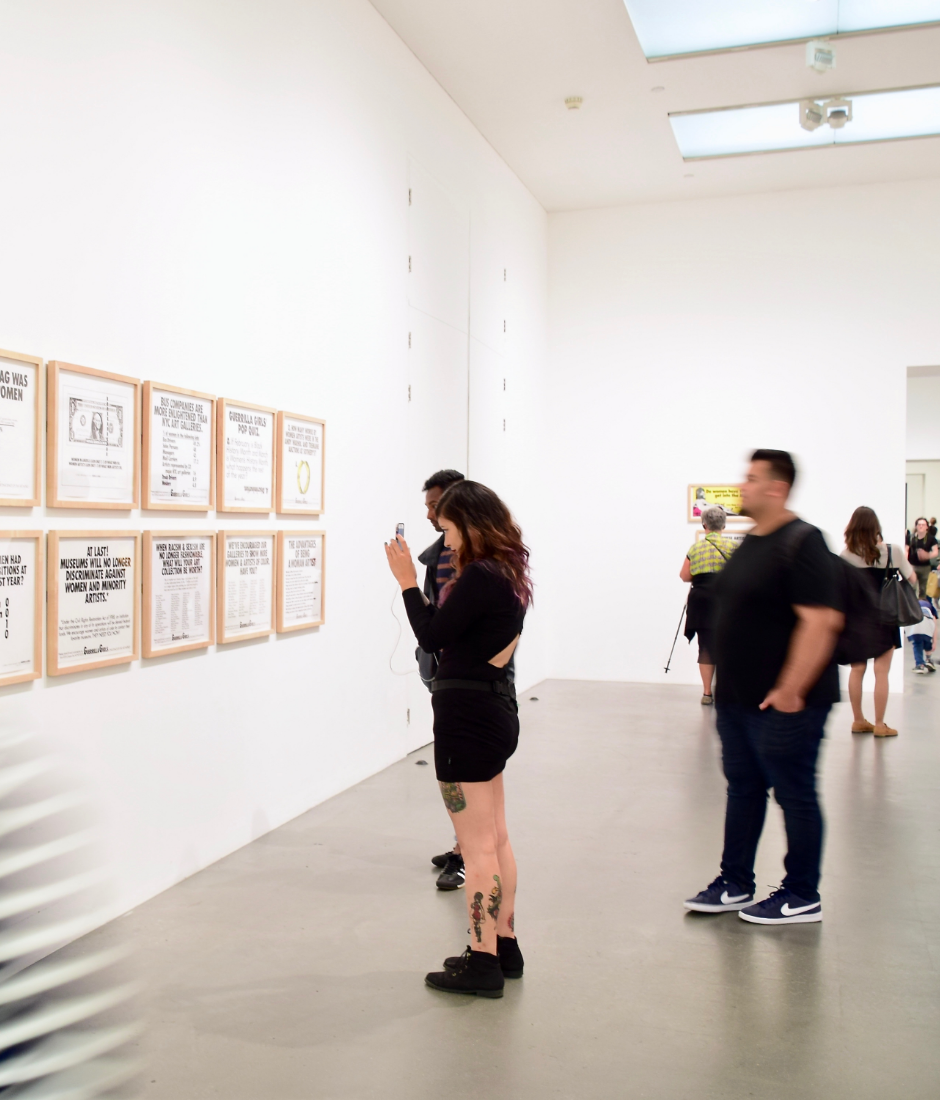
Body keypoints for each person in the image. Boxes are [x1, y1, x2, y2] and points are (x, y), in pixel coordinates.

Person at [684, 450, 843, 925]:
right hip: (738, 698)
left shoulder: (804, 541)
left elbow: (822, 621)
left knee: (794, 793)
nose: (743, 487)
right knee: (744, 790)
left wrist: (792, 689)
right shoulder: (751, 540)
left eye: (751, 479)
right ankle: (735, 882)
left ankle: (801, 894)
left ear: (777, 487)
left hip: (787, 701)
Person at [385, 480, 531, 997]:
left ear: (471, 524)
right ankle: (504, 943)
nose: (445, 542)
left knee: (477, 849)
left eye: (448, 529)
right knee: (496, 839)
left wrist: (406, 582)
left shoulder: (480, 578)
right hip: (493, 711)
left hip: (466, 719)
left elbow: (431, 634)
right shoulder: (509, 573)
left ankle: (482, 958)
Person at [417, 469, 468, 891]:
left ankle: (468, 852)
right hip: (448, 679)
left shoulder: (480, 566)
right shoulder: (438, 555)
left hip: (469, 686)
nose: (430, 514)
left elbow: (437, 627)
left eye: (436, 507)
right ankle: (462, 845)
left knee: (461, 775)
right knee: (451, 772)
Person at [840, 507, 917, 736]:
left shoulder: (846, 555)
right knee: (882, 672)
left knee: (857, 669)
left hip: (857, 619)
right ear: (876, 527)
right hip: (886, 618)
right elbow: (911, 579)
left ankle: (858, 720)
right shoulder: (892, 552)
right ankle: (880, 725)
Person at [680, 505, 738, 705]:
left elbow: (684, 576)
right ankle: (726, 692)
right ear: (724, 525)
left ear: (704, 524)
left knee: (705, 646)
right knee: (730, 645)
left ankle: (707, 693)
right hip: (726, 601)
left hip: (702, 601)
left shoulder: (695, 548)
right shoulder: (734, 547)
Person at [905, 516, 938, 599]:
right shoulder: (910, 537)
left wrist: (927, 555)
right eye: (919, 524)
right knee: (912, 587)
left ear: (927, 526)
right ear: (916, 526)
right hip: (912, 565)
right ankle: (912, 606)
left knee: (924, 589)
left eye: (923, 524)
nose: (921, 526)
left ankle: (923, 607)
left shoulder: (931, 538)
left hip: (925, 567)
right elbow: (906, 550)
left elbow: (935, 552)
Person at [906, 598, 938, 674]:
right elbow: (934, 622)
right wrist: (934, 642)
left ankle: (920, 665)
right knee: (927, 640)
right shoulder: (930, 606)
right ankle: (928, 660)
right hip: (927, 621)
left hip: (915, 622)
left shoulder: (913, 603)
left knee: (917, 644)